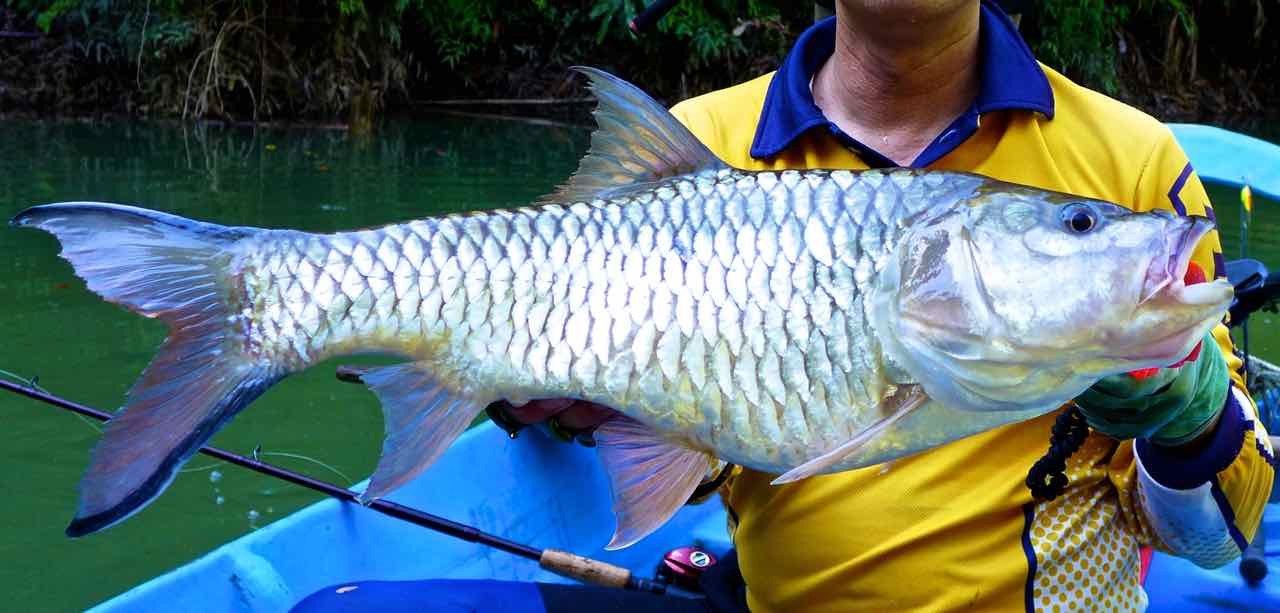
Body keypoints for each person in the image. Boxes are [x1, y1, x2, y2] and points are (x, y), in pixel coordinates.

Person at [296, 1, 1274, 610]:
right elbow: (669, 466)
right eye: (1071, 234)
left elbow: (1215, 534)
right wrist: (562, 396)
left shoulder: (1129, 163)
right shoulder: (705, 143)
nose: (1094, 242)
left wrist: (1183, 411)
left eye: (1074, 234)